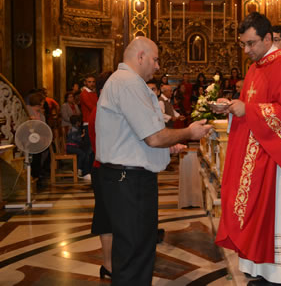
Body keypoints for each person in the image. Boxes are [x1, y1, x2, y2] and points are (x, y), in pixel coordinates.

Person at [95, 36, 212, 285]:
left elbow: (131, 136)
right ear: (140, 57)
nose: (158, 66)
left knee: (136, 250)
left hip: (126, 177)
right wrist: (189, 132)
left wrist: (165, 151)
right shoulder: (128, 83)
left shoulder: (125, 82)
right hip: (129, 181)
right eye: (155, 59)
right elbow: (154, 137)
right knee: (134, 253)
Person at [215, 12, 281, 285]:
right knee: (253, 212)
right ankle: (256, 265)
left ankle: (277, 271)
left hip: (276, 158)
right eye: (243, 44)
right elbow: (251, 104)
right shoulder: (257, 66)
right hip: (256, 152)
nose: (247, 50)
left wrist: (246, 109)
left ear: (269, 38)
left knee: (273, 214)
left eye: (251, 43)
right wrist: (234, 107)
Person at [88, 71, 114, 280]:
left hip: (106, 168)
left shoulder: (104, 108)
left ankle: (111, 263)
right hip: (103, 168)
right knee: (106, 218)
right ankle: (108, 264)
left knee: (111, 218)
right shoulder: (101, 110)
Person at [66, 115, 90, 180]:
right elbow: (75, 138)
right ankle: (78, 170)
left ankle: (79, 168)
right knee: (82, 153)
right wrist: (82, 135)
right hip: (71, 147)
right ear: (77, 123)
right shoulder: (74, 129)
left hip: (71, 147)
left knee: (82, 152)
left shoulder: (74, 128)